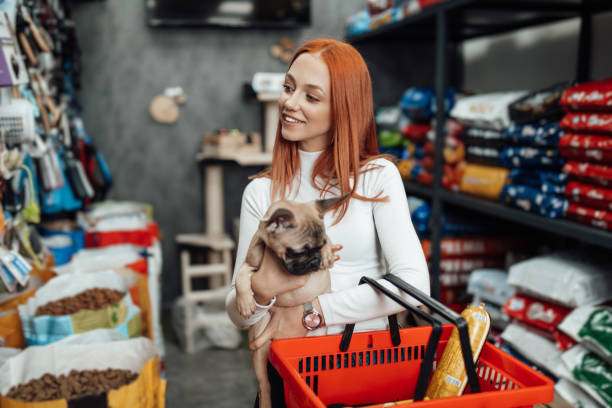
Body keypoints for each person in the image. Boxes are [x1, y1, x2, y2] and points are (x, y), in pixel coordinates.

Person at [225, 38, 429, 407]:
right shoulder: (262, 192)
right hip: (290, 374)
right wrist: (260, 289)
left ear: (344, 109)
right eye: (289, 88)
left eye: (311, 97)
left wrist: (313, 313)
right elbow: (237, 314)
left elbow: (415, 285)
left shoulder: (376, 178)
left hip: (366, 369)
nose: (290, 103)